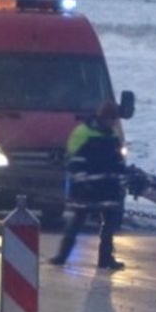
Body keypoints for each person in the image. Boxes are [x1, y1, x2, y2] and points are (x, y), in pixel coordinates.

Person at [49, 100, 126, 271]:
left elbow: (117, 161)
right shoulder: (82, 133)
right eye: (112, 119)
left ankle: (105, 259)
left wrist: (121, 180)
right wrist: (83, 181)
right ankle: (62, 256)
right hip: (87, 189)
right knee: (76, 224)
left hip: (107, 189)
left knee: (108, 227)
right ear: (103, 117)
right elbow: (73, 161)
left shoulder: (111, 134)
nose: (113, 123)